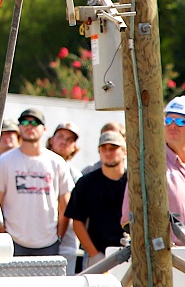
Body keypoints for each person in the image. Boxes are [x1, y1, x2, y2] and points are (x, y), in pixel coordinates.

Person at [0, 108, 73, 256]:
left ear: (44, 129)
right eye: (24, 122)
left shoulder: (57, 162)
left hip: (48, 243)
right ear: (19, 127)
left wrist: (58, 235)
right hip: (12, 241)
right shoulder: (4, 161)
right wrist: (2, 233)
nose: (29, 126)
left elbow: (65, 205)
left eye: (35, 122)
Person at [122, 98, 185, 246]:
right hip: (166, 257)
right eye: (169, 120)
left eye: (181, 122)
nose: (173, 126)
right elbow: (129, 218)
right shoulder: (149, 165)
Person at [66, 131, 127, 267]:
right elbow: (77, 222)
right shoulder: (86, 183)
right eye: (103, 148)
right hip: (97, 255)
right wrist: (95, 255)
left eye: (113, 148)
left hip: (130, 253)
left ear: (125, 152)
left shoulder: (134, 183)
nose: (107, 152)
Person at [47, 122, 83, 273]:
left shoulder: (77, 176)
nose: (64, 141)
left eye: (70, 139)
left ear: (74, 146)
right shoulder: (37, 167)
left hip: (67, 243)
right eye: (60, 136)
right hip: (38, 240)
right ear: (51, 140)